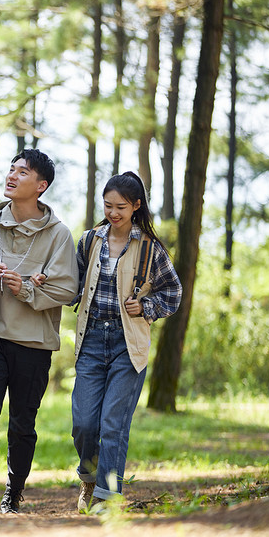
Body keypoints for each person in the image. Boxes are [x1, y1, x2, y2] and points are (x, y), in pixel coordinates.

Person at [0, 149, 79, 515]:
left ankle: (13, 494)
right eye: (10, 169)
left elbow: (67, 290)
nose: (12, 176)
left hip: (34, 343)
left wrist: (26, 287)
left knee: (22, 422)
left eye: (23, 172)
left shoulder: (59, 234)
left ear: (41, 186)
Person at [70, 172, 181, 512]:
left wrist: (145, 307)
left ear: (136, 206)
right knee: (85, 424)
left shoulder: (150, 248)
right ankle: (90, 479)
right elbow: (73, 286)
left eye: (120, 207)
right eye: (107, 206)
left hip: (127, 344)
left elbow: (173, 293)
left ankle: (107, 496)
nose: (113, 213)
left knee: (113, 424)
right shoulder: (90, 240)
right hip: (90, 340)